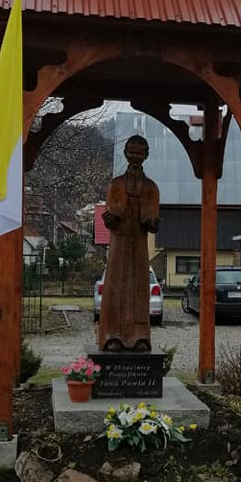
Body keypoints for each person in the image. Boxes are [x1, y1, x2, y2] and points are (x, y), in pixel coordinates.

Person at [98, 135, 160, 352]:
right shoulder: (116, 184)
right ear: (125, 154)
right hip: (119, 243)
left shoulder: (151, 187)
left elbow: (153, 220)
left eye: (139, 153)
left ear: (146, 155)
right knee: (114, 289)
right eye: (132, 152)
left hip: (139, 244)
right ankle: (111, 335)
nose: (135, 156)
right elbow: (111, 214)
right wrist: (110, 219)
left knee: (139, 289)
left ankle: (140, 336)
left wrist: (153, 223)